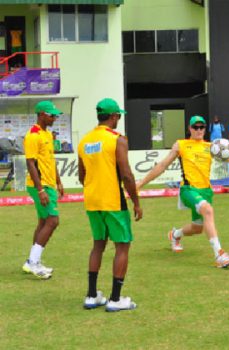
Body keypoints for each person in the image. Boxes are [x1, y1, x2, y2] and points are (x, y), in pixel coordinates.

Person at [137, 115, 229, 268]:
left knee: (197, 228)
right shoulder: (181, 145)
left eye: (201, 127)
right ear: (189, 129)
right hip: (188, 189)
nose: (198, 130)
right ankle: (220, 255)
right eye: (195, 127)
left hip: (205, 191)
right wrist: (141, 183)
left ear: (205, 129)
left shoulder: (212, 147)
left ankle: (175, 234)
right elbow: (162, 166)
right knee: (208, 210)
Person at [78, 98, 143, 311]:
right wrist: (136, 202)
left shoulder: (85, 141)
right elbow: (126, 174)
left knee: (98, 244)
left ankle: (91, 295)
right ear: (114, 116)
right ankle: (116, 299)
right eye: (119, 116)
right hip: (113, 201)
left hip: (92, 200)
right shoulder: (117, 139)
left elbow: (81, 175)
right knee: (122, 246)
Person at [21, 101, 64, 279]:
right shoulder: (32, 135)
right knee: (53, 221)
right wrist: (40, 190)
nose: (54, 117)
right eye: (51, 114)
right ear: (41, 114)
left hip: (49, 184)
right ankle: (33, 262)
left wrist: (59, 182)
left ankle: (32, 261)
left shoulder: (47, 134)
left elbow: (50, 161)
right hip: (40, 185)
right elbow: (30, 163)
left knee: (43, 222)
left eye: (55, 115)